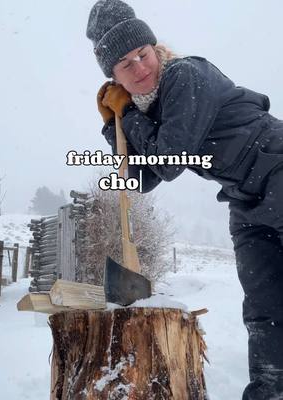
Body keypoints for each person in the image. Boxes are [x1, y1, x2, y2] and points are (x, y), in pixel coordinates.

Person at [86, 1, 283, 398]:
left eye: (142, 54)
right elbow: (141, 177)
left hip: (277, 169)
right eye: (125, 64)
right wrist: (114, 124)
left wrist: (129, 117)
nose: (140, 68)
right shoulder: (149, 109)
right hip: (244, 200)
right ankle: (269, 390)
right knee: (264, 307)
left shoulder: (185, 76)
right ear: (114, 76)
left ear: (154, 48)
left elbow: (170, 160)